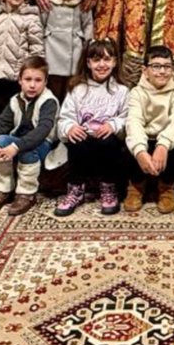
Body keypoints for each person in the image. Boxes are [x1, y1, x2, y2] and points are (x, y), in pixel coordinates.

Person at [55, 38, 129, 217]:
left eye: (107, 59)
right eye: (96, 60)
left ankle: (108, 187)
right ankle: (75, 190)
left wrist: (113, 125)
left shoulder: (122, 90)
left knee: (107, 141)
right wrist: (70, 127)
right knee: (77, 140)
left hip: (109, 143)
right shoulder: (77, 89)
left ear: (115, 61)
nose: (102, 64)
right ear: (88, 63)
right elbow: (65, 117)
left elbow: (127, 117)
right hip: (83, 143)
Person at [0, 56, 60, 217]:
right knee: (1, 140)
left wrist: (16, 147)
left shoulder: (49, 101)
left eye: (38, 80)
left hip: (44, 144)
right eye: (28, 79)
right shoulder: (16, 100)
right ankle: (3, 188)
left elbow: (42, 131)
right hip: (20, 141)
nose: (32, 85)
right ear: (20, 80)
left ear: (45, 82)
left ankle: (27, 193)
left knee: (27, 149)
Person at [123, 45, 174, 213]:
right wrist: (139, 150)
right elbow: (134, 121)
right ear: (145, 70)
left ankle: (166, 187)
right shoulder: (136, 93)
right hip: (145, 139)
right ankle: (136, 186)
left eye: (167, 66)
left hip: (166, 142)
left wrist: (164, 144)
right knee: (127, 146)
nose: (162, 71)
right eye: (156, 66)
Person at [40, 0, 94, 99]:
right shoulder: (48, 3)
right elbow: (40, 25)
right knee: (53, 88)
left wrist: (88, 44)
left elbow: (88, 25)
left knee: (70, 90)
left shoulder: (80, 6)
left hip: (74, 51)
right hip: (52, 51)